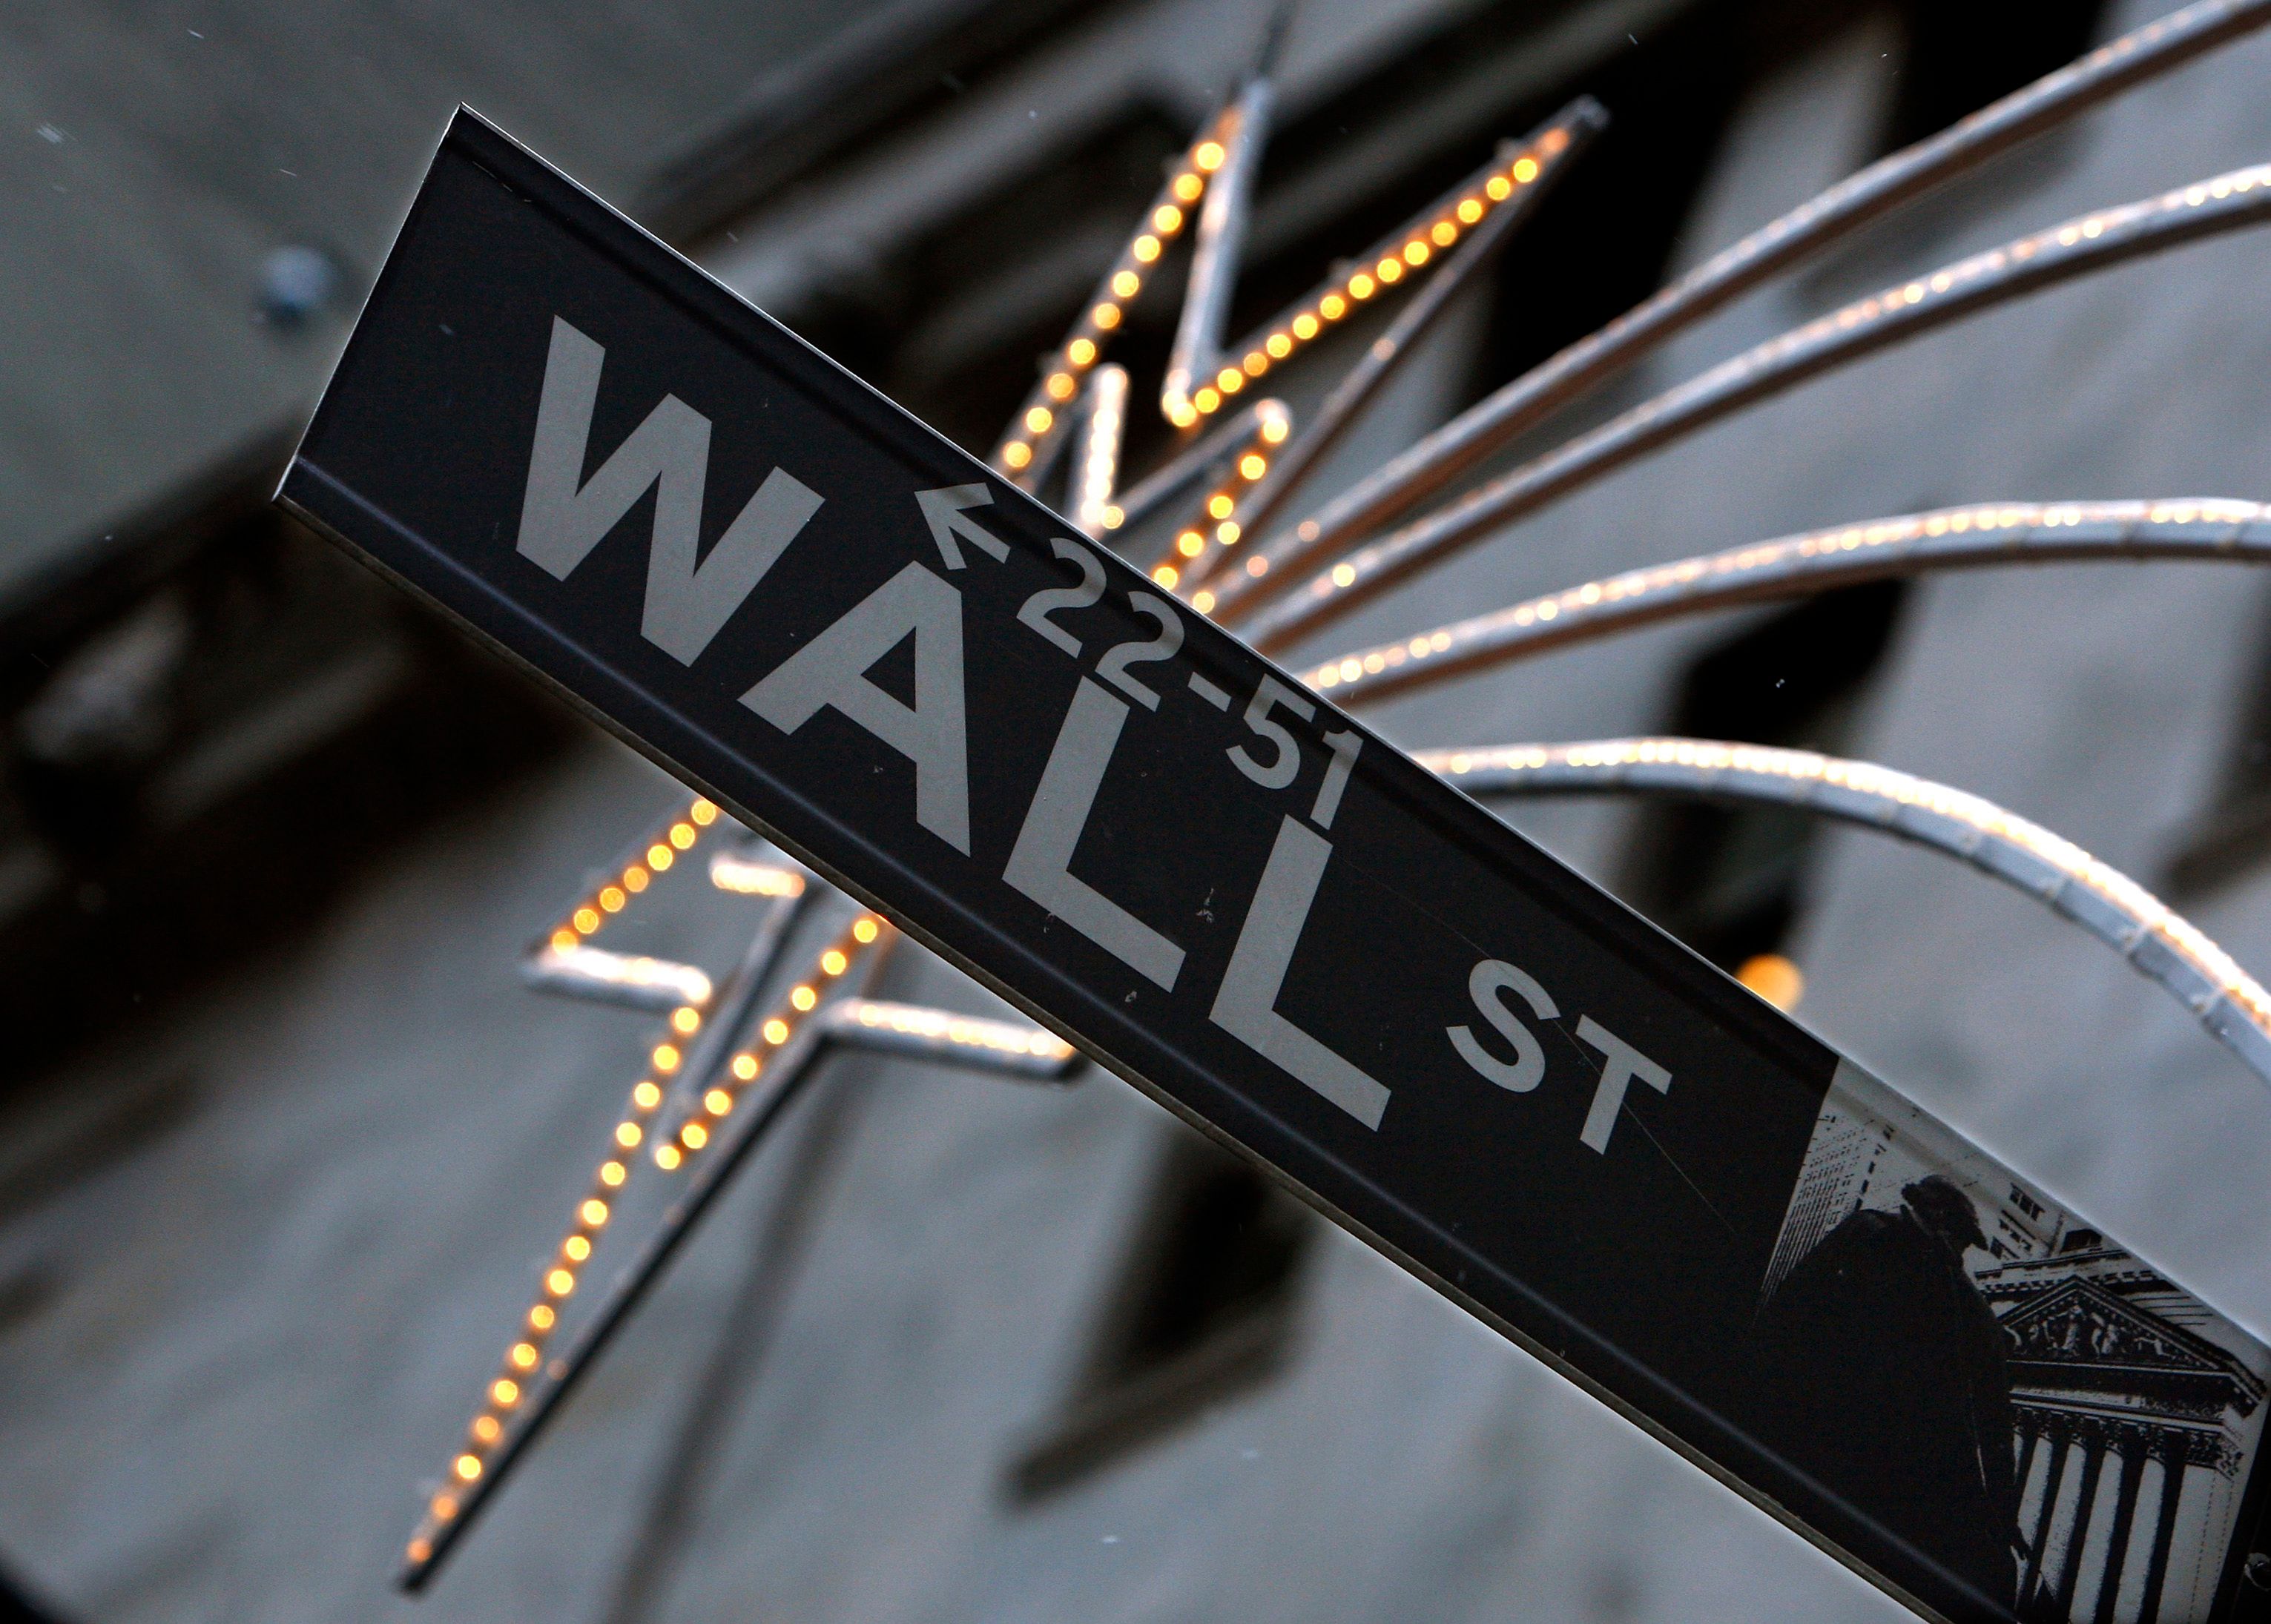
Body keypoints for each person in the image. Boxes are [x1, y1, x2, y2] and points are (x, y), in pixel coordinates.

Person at [1753, 1175, 2021, 1615]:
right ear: (1938, 1223)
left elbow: (1792, 1304)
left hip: (1833, 1437)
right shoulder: (1899, 1253)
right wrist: (2003, 1509)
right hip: (1861, 1448)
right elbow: (1994, 1413)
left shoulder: (1887, 1245)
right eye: (1960, 1243)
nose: (1959, 1257)